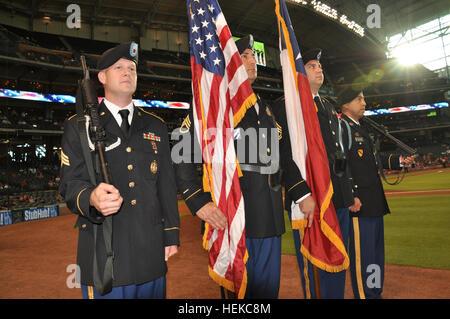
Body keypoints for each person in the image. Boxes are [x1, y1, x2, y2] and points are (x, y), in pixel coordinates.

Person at [174, 35, 315, 299]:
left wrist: (302, 193)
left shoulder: (265, 108)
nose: (252, 61)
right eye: (245, 56)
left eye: (253, 56)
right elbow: (181, 150)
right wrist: (198, 200)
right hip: (237, 220)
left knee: (267, 291)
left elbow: (282, 157)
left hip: (270, 219)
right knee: (241, 292)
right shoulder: (214, 101)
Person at [58, 42, 180, 299]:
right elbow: (70, 184)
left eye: (132, 68)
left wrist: (171, 234)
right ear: (101, 77)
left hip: (150, 254)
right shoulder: (80, 126)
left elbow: (166, 185)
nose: (127, 72)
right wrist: (91, 197)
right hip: (103, 254)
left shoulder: (155, 125)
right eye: (119, 67)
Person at [279, 48, 354, 299]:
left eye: (319, 66)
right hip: (312, 197)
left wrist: (347, 187)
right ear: (299, 71)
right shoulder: (287, 106)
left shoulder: (328, 106)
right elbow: (284, 154)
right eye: (311, 66)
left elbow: (339, 152)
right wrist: (300, 193)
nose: (318, 69)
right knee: (315, 263)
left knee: (338, 255)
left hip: (338, 196)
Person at [339, 86, 415, 299]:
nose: (364, 103)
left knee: (375, 255)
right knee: (363, 256)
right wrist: (350, 193)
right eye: (360, 99)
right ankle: (365, 295)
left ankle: (374, 292)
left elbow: (371, 161)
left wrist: (399, 161)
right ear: (346, 104)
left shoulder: (361, 128)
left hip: (373, 202)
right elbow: (339, 164)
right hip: (359, 203)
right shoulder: (341, 127)